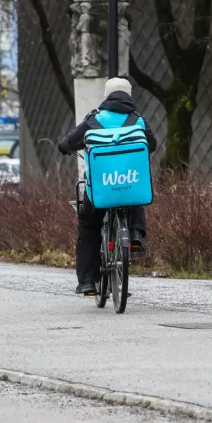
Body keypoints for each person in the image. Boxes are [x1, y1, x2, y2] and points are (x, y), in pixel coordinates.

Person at [57, 77, 158, 296]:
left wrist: (66, 148)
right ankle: (135, 234)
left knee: (89, 226)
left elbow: (67, 143)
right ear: (129, 95)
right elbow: (152, 145)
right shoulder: (138, 120)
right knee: (134, 189)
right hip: (128, 185)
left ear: (106, 95)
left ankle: (87, 282)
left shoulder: (94, 119)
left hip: (99, 190)